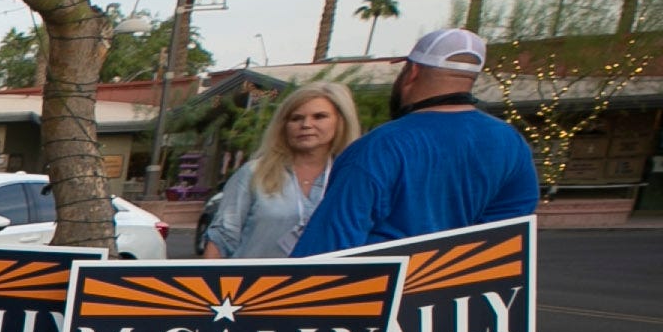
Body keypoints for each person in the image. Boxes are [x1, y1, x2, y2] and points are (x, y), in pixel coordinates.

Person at [288, 29, 539, 254]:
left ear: (412, 72)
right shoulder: (511, 143)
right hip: (456, 297)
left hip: (379, 297)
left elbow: (327, 248)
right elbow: (507, 234)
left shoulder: (378, 148)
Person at [198, 80, 361, 264]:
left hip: (322, 288)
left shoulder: (353, 178)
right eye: (296, 118)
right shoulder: (254, 173)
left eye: (319, 116)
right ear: (283, 125)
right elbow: (222, 238)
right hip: (251, 287)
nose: (306, 124)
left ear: (340, 121)